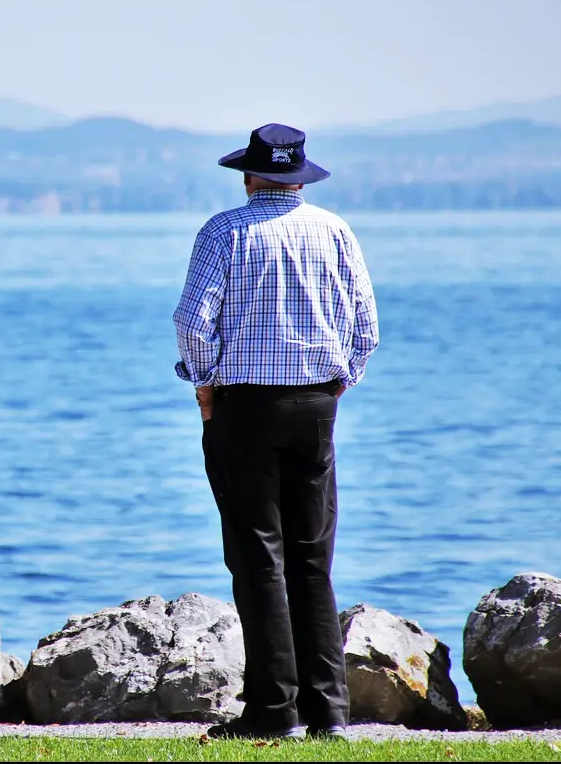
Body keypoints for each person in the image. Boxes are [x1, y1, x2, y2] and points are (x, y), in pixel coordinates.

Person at [172, 123, 379, 742]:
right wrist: (341, 380)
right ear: (300, 176)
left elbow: (191, 321)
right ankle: (330, 715)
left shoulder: (224, 231)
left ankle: (272, 711)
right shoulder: (334, 230)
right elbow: (365, 322)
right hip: (316, 404)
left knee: (257, 557)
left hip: (243, 407)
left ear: (249, 175)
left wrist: (203, 385)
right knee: (313, 560)